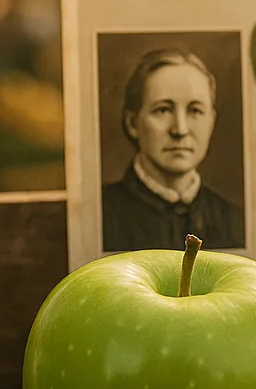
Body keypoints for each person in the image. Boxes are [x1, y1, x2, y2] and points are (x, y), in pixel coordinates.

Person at [102, 48, 243, 252]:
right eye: (163, 110)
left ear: (211, 121)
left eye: (195, 111)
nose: (180, 130)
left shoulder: (234, 221)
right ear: (133, 123)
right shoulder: (101, 217)